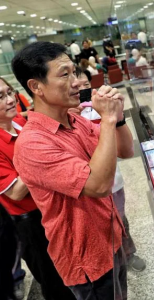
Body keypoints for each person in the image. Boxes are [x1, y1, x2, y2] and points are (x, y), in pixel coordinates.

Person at [11, 41, 134, 299]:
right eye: (64, 74)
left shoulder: (75, 119)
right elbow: (99, 186)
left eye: (74, 71)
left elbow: (125, 151)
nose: (77, 81)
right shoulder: (33, 143)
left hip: (111, 235)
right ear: (36, 87)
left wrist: (118, 117)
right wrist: (108, 121)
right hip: (87, 258)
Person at [0, 77, 75, 300]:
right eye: (0, 97)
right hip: (29, 220)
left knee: (68, 266)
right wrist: (42, 157)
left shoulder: (21, 124)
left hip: (50, 206)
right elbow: (15, 191)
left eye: (9, 92)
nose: (10, 100)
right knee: (51, 276)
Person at [75, 68, 146, 272]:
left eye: (84, 85)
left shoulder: (100, 109)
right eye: (76, 86)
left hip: (113, 180)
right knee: (99, 225)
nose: (81, 90)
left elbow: (124, 149)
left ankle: (128, 252)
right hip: (86, 186)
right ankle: (112, 258)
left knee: (120, 218)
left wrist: (112, 116)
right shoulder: (66, 116)